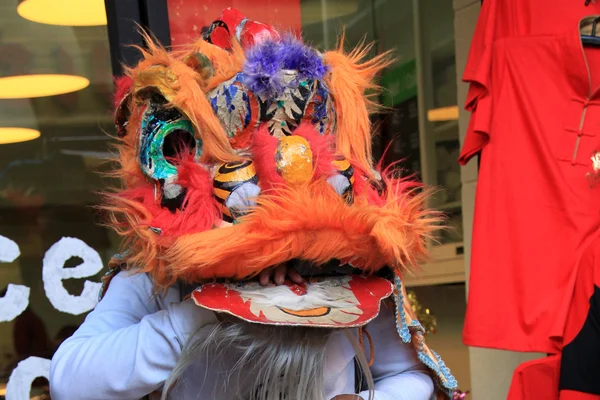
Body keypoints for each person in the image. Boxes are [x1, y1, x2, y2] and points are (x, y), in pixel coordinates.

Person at [50, 8, 458, 400]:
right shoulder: (160, 272)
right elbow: (71, 381)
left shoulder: (348, 262)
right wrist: (212, 310)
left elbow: (407, 373)